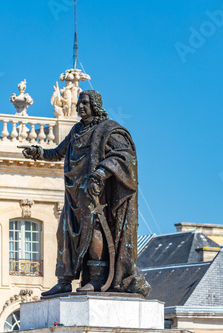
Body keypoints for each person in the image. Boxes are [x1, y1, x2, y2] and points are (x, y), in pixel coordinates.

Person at [19, 90, 150, 296]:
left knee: (94, 232)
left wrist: (101, 172)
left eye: (85, 103)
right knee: (64, 234)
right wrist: (39, 152)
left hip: (95, 193)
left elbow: (125, 156)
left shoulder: (108, 129)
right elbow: (58, 153)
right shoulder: (77, 129)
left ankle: (97, 278)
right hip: (74, 193)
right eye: (79, 103)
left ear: (95, 106)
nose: (80, 107)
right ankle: (64, 280)